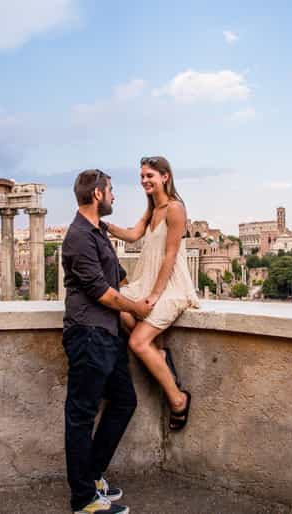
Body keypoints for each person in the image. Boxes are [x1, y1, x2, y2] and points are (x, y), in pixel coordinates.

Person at [62, 169, 152, 514]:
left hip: (108, 335)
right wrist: (138, 308)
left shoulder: (98, 233)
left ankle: (92, 475)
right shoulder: (78, 237)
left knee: (125, 401)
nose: (115, 196)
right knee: (80, 416)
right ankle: (83, 500)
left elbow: (120, 277)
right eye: (111, 190)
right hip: (87, 333)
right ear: (97, 194)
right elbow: (103, 292)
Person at [105, 156, 199, 432]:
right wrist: (104, 225)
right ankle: (161, 356)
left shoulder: (175, 208)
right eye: (143, 176)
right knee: (120, 307)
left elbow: (170, 255)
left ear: (165, 177)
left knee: (137, 343)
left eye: (150, 176)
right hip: (147, 280)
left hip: (170, 284)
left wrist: (157, 294)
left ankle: (178, 399)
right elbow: (134, 235)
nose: (145, 180)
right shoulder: (152, 208)